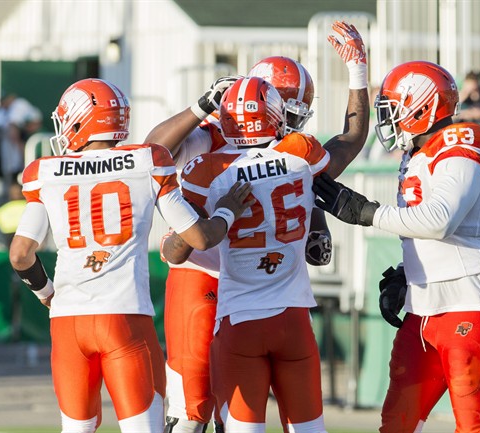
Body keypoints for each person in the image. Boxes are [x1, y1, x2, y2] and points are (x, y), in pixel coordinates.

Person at [146, 21, 368, 433]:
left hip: (240, 282)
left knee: (229, 414)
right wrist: (201, 108)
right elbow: (154, 147)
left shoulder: (271, 152)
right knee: (192, 409)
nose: (292, 122)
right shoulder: (211, 139)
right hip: (204, 277)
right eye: (286, 110)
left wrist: (315, 220)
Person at [8, 78, 253, 433]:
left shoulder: (44, 173)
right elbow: (199, 238)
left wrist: (46, 293)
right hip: (125, 318)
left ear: (80, 121)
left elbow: (20, 255)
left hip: (68, 322)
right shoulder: (147, 162)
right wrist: (227, 211)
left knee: (76, 429)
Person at [312, 60, 480, 433]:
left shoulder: (465, 140)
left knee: (474, 426)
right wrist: (409, 273)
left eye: (394, 107)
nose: (388, 119)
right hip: (424, 308)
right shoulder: (416, 154)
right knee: (397, 423)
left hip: (475, 302)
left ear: (422, 106)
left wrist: (365, 212)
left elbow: (440, 220)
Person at [0, 92, 43, 184]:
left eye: (5, 100)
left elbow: (13, 129)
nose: (3, 103)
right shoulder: (4, 109)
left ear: (11, 97)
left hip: (37, 149)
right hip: (22, 157)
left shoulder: (19, 104)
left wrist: (22, 157)